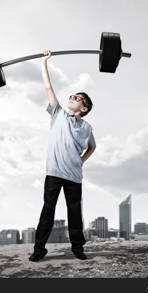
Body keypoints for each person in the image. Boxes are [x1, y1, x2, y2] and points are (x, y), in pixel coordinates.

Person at [29, 50, 96, 262]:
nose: (73, 97)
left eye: (78, 98)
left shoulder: (87, 127)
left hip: (74, 176)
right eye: (73, 95)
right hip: (54, 173)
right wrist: (44, 62)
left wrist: (81, 161)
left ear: (83, 108)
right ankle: (39, 250)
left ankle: (78, 249)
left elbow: (92, 147)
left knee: (74, 213)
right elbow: (48, 87)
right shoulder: (58, 113)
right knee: (47, 211)